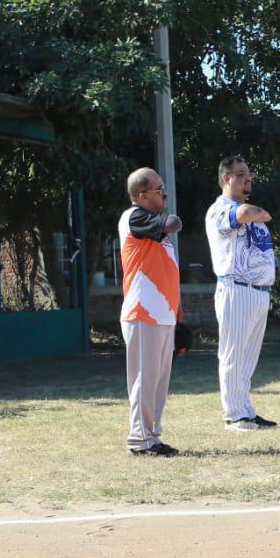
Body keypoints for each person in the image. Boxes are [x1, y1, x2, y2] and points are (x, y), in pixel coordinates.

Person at [205, 156, 277, 432]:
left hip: (258, 291)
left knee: (248, 357)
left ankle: (245, 408)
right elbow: (245, 214)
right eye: (241, 174)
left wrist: (258, 212)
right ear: (226, 179)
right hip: (236, 288)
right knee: (233, 354)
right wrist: (257, 211)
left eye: (248, 174)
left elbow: (253, 215)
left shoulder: (249, 208)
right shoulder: (219, 209)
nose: (248, 178)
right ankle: (234, 414)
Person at [119, 167, 183, 457]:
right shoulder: (134, 216)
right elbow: (173, 222)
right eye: (160, 190)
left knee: (157, 380)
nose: (165, 193)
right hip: (142, 311)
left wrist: (178, 317)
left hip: (162, 313)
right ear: (142, 195)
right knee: (145, 379)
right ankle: (139, 439)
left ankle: (152, 436)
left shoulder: (150, 222)